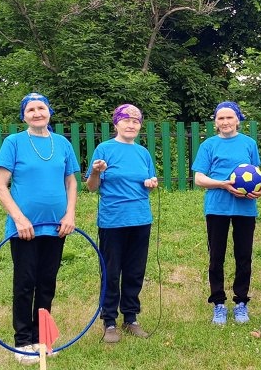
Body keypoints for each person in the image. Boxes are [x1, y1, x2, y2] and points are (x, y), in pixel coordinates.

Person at [0, 92, 80, 365]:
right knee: (25, 284)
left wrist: (70, 214)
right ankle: (22, 343)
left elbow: (71, 182)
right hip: (25, 229)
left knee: (46, 284)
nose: (37, 113)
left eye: (41, 108)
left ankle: (42, 339)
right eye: (30, 110)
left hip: (56, 227)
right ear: (24, 116)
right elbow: (0, 186)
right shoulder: (14, 142)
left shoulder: (62, 143)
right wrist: (19, 219)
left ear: (49, 112)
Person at [85, 104, 158, 343]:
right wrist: (96, 172)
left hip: (140, 219)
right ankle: (109, 321)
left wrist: (151, 183)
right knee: (111, 271)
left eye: (136, 121)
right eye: (126, 120)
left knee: (135, 271)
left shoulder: (143, 153)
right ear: (116, 123)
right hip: (113, 220)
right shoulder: (104, 149)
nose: (131, 125)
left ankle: (131, 318)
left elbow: (149, 180)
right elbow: (91, 187)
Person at [192, 101, 261, 325]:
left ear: (238, 120)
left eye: (229, 117)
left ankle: (241, 301)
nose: (225, 122)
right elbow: (199, 178)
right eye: (221, 118)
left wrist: (260, 188)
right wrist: (223, 184)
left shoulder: (249, 143)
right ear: (215, 122)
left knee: (244, 256)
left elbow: (256, 173)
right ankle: (219, 303)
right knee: (217, 256)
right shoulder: (209, 145)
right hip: (217, 207)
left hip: (245, 208)